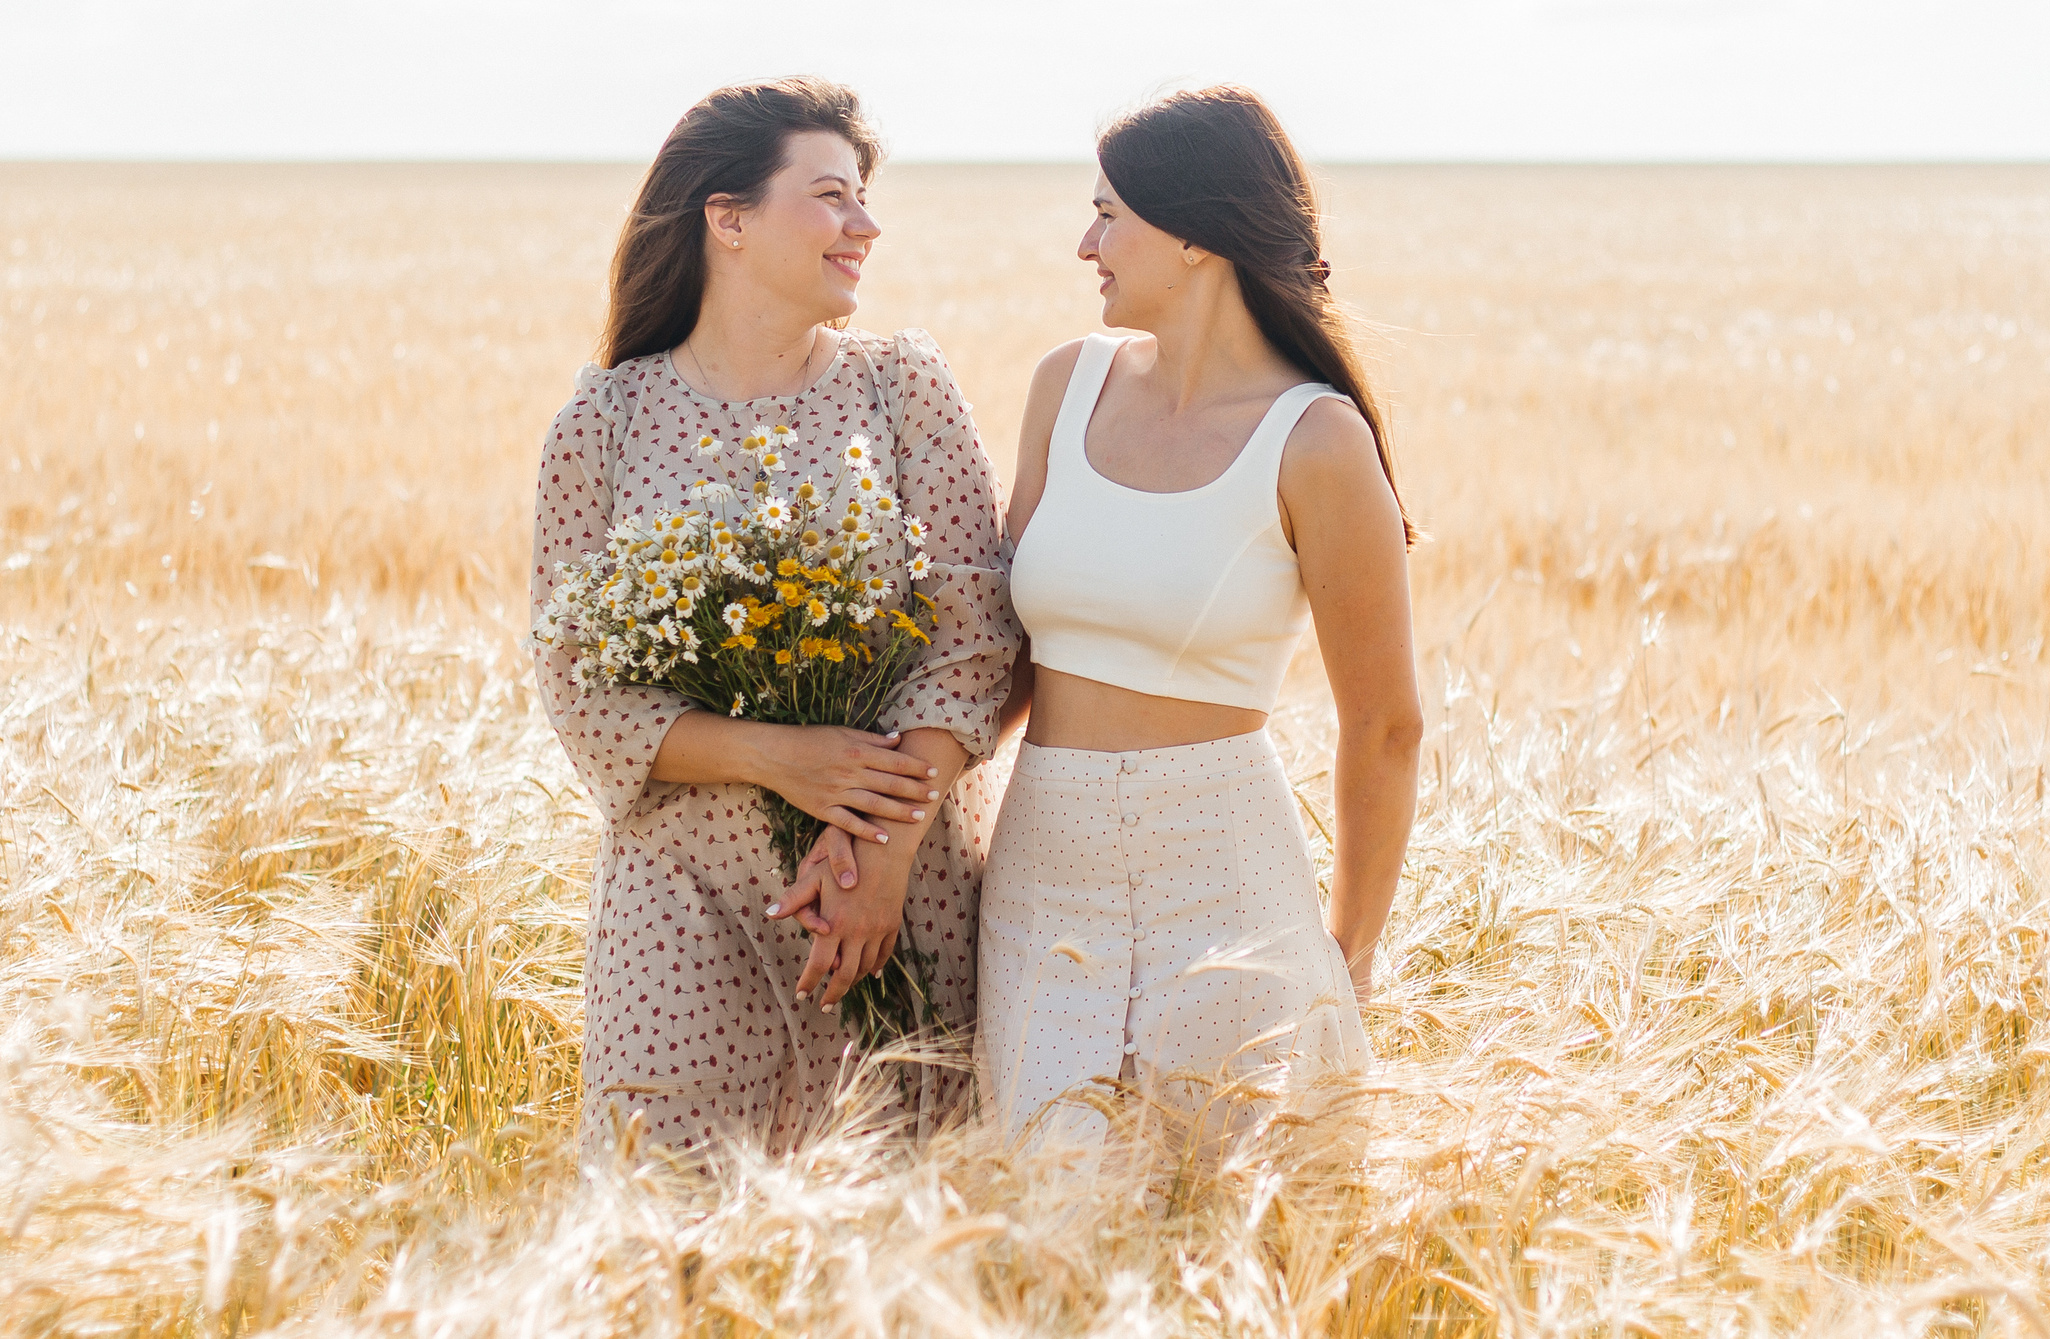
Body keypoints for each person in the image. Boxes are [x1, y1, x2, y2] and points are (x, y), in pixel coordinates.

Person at [530, 77, 1016, 1156]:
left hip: (897, 890)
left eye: (865, 200)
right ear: (729, 217)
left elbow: (977, 636)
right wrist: (781, 759)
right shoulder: (602, 424)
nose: (866, 225)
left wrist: (878, 853)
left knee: (894, 1238)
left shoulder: (903, 389)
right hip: (682, 897)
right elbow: (575, 685)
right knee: (669, 1228)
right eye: (833, 196)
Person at [981, 84, 1421, 1148]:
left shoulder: (1315, 440)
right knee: (1045, 1227)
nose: (1087, 243)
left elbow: (1384, 725)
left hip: (1227, 887)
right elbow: (998, 659)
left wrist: (1345, 954)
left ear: (1192, 237)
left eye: (1108, 214)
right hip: (1040, 876)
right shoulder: (1064, 385)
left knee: (1230, 1230)